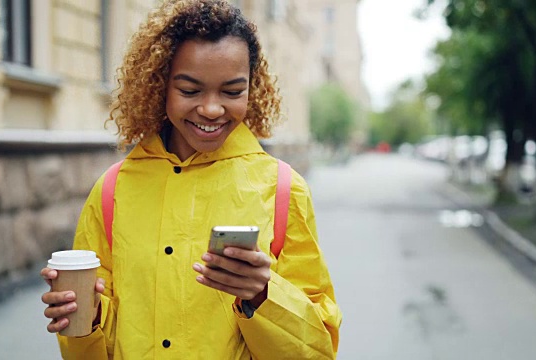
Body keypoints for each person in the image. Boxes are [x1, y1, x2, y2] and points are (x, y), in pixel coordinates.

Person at [40, 0, 341, 358]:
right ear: (160, 84)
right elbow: (90, 349)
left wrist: (262, 295)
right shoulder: (112, 190)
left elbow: (318, 349)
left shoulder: (282, 190)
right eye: (190, 90)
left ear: (253, 88)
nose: (212, 109)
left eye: (232, 91)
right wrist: (86, 318)